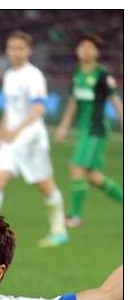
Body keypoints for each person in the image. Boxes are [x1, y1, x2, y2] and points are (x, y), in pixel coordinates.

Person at [0, 31, 68, 249]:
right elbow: (9, 110)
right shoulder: (9, 75)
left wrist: (16, 131)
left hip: (31, 138)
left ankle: (59, 230)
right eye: (12, 48)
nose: (15, 52)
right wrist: (1, 134)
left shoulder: (34, 76)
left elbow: (38, 109)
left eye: (20, 48)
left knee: (45, 184)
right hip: (11, 139)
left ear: (28, 51)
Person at [54, 34, 123, 233]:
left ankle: (75, 217)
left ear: (97, 52)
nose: (85, 50)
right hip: (84, 131)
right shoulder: (76, 73)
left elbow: (115, 101)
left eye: (90, 47)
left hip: (96, 130)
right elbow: (73, 103)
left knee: (77, 167)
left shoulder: (102, 75)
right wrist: (64, 127)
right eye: (82, 46)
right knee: (94, 177)